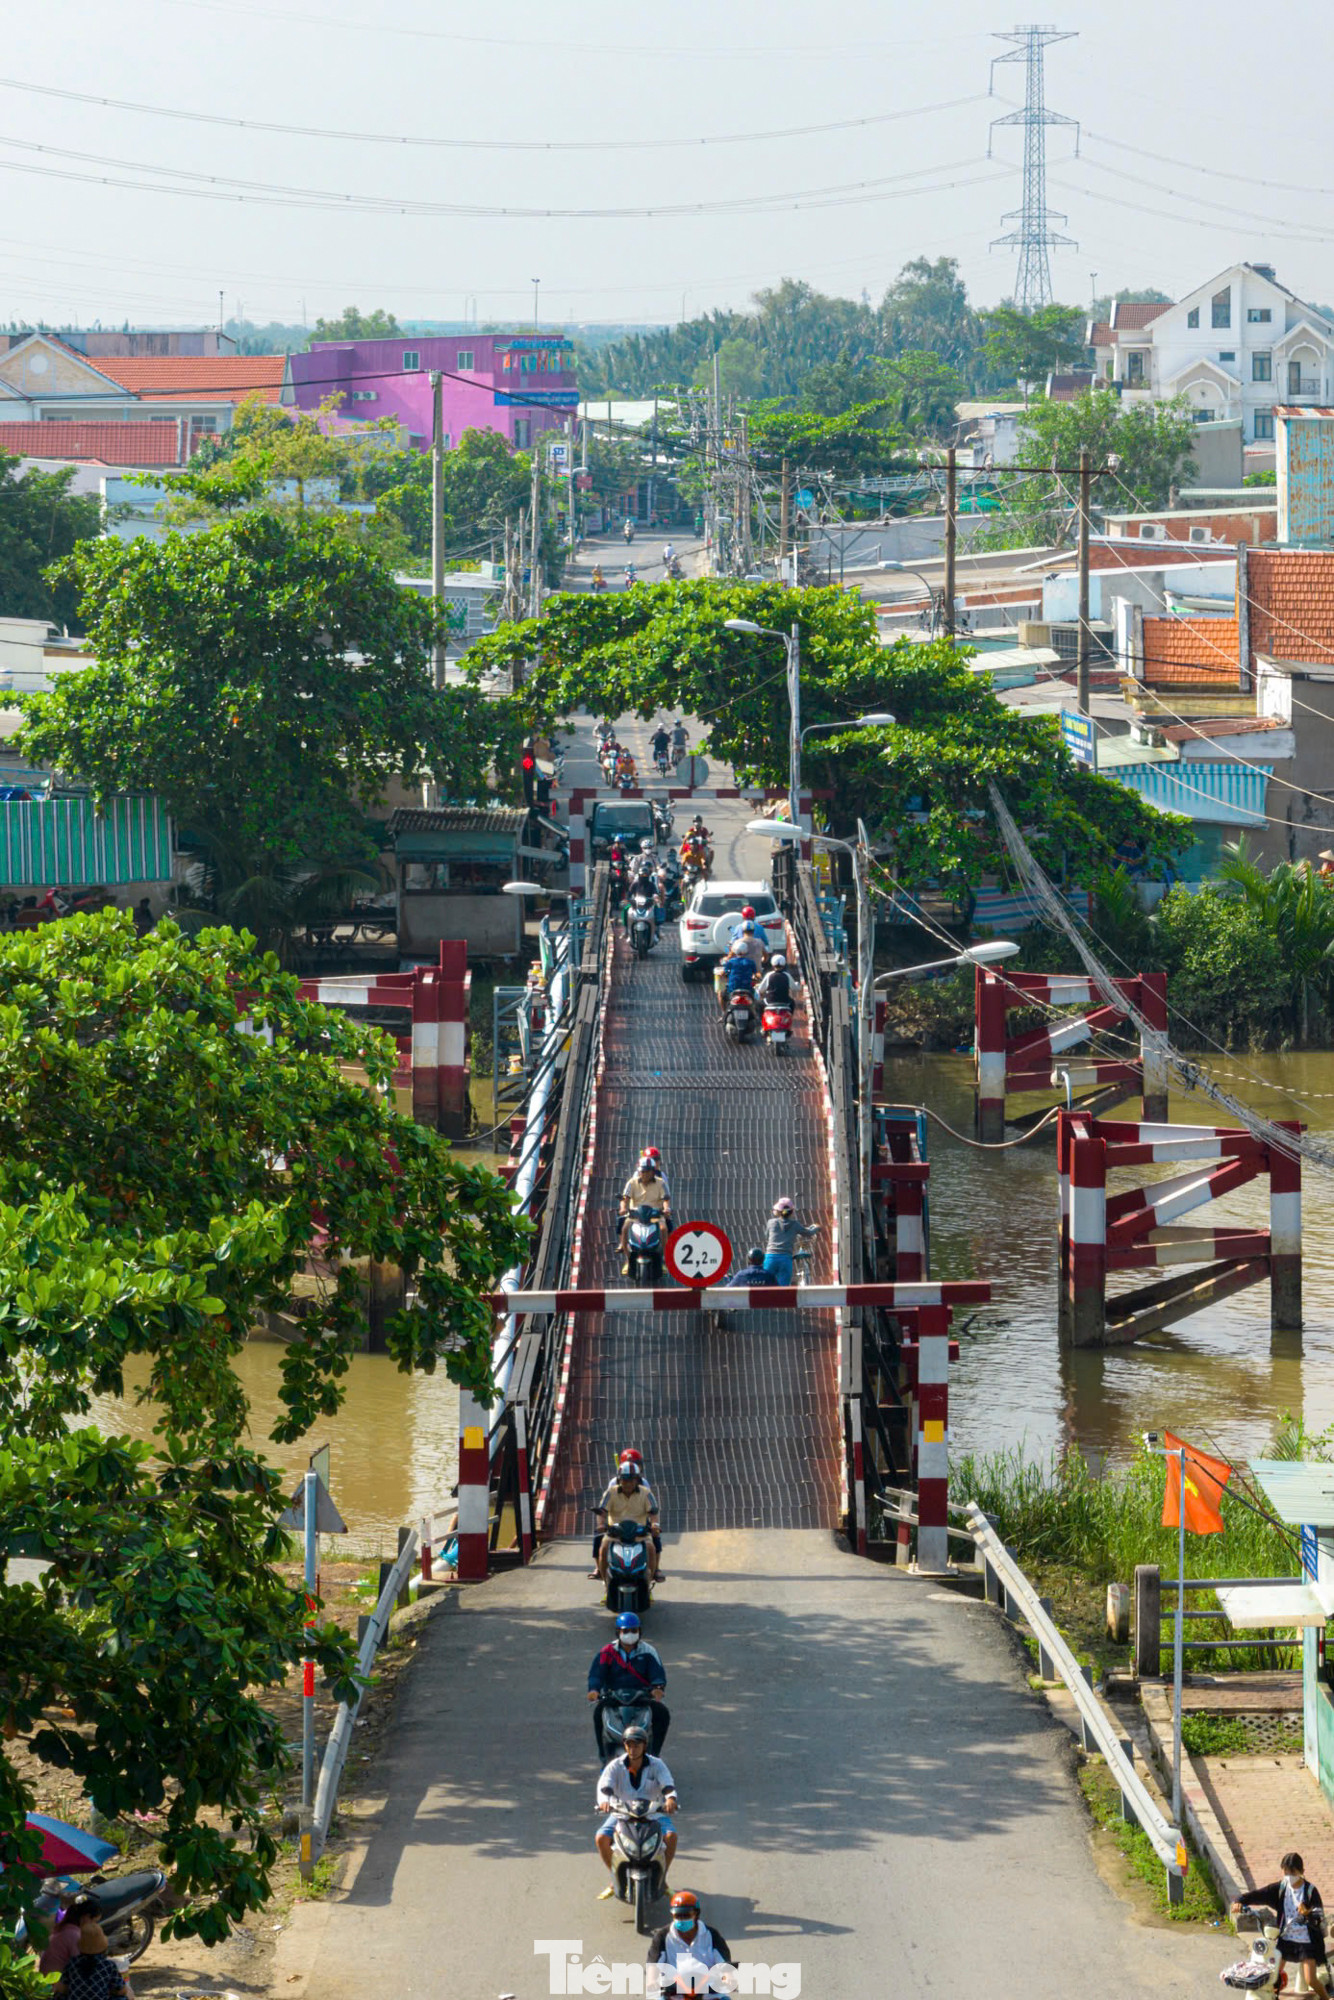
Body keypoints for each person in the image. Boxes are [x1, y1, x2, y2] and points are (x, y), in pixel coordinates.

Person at [595, 1726, 677, 1899]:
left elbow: (668, 1784)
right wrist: (604, 1802)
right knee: (601, 1838)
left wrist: (670, 1799)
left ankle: (662, 1879)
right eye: (629, 1745)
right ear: (624, 1745)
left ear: (645, 1745)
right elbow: (605, 1786)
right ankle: (614, 1879)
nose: (632, 1749)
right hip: (622, 1813)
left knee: (671, 1836)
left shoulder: (657, 1764)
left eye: (637, 1745)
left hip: (652, 1813)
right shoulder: (615, 1766)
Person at [1233, 1854, 1327, 1989]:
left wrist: (1308, 1913)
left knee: (1311, 1980)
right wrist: (1240, 1901)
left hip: (1306, 1942)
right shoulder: (1281, 1888)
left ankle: (1325, 1997)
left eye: (1292, 1872)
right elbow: (1259, 1894)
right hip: (1285, 1938)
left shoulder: (1310, 1891)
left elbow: (1319, 1915)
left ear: (1302, 1871)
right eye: (1286, 1872)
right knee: (1272, 1976)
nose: (1289, 1876)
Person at [587, 1611, 670, 1754]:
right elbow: (596, 1674)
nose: (630, 1634)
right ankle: (603, 1754)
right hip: (614, 1697)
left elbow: (657, 1674)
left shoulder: (649, 1651)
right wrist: (593, 1690)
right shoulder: (607, 1652)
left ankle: (655, 1755)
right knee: (598, 1713)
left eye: (634, 1630)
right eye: (625, 1631)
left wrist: (657, 1688)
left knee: (662, 1713)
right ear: (618, 1632)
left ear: (639, 1632)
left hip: (641, 1697)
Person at [646, 1891, 735, 1995]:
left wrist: (728, 1977)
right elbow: (654, 1963)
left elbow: (724, 1963)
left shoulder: (712, 1935)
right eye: (678, 1915)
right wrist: (652, 1981)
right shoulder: (662, 1936)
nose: (681, 1919)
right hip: (673, 1993)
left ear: (696, 1914)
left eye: (686, 1915)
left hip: (709, 1993)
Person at [596, 1456, 661, 1585]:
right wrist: (601, 1524)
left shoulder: (646, 1493)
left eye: (632, 1479)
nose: (628, 1483)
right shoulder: (610, 1492)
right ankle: (606, 1583)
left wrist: (655, 1525)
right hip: (615, 1533)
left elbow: (653, 1512)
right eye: (624, 1479)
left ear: (637, 1480)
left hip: (639, 1533)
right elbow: (602, 1511)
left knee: (651, 1548)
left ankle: (648, 1580)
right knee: (603, 1548)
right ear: (619, 1480)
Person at [53, 1909, 136, 1999]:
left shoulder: (72, 1963)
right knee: (128, 1993)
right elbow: (121, 1990)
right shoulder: (108, 1965)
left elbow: (61, 1989)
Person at [618, 1156, 671, 1266]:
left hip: (655, 1214)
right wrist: (623, 1208)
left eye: (648, 1171)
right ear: (639, 1171)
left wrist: (666, 1208)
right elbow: (624, 1198)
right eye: (643, 1171)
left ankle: (665, 1256)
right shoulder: (631, 1183)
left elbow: (666, 1199)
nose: (645, 1174)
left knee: (664, 1228)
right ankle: (628, 1258)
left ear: (653, 1172)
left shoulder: (661, 1183)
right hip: (635, 1215)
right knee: (624, 1228)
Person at [763, 1196, 819, 1285]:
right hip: (785, 1258)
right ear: (791, 1212)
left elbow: (767, 1236)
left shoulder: (771, 1222)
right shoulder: (795, 1224)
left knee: (766, 1285)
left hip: (770, 1257)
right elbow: (808, 1233)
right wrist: (817, 1227)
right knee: (783, 1286)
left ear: (778, 1211)